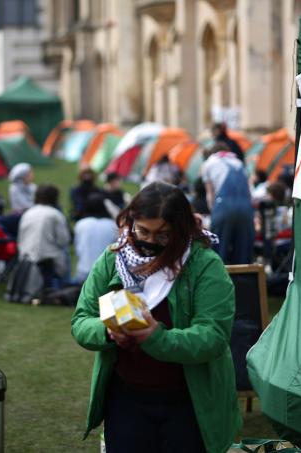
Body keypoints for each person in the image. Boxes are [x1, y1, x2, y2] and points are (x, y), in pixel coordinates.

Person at [71, 182, 241, 453]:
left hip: (188, 400)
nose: (149, 241)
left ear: (181, 230)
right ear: (131, 220)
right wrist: (107, 331)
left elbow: (213, 336)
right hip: (126, 397)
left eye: (163, 235)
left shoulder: (204, 265)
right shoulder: (113, 259)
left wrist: (155, 336)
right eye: (143, 230)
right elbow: (81, 321)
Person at [202, 143, 255, 264]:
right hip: (246, 209)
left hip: (223, 207)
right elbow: (249, 191)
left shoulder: (209, 163)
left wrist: (213, 213)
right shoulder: (238, 162)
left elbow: (210, 195)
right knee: (243, 255)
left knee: (220, 253)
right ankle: (243, 282)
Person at [17, 184, 72, 289]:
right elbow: (64, 240)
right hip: (47, 258)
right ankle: (65, 285)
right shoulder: (55, 214)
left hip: (25, 257)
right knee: (65, 251)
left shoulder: (27, 213)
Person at [73, 193, 119, 284]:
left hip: (83, 270)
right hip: (104, 274)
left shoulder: (80, 224)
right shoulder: (112, 226)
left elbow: (78, 248)